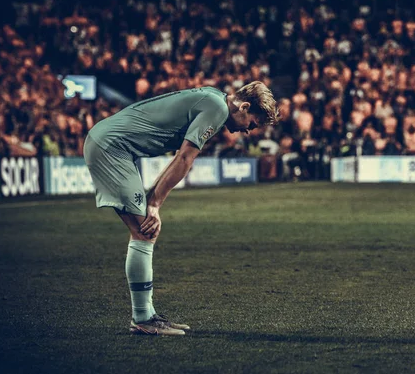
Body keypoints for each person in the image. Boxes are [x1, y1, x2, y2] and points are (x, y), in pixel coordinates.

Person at [84, 82, 278, 335]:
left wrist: (153, 197)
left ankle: (146, 315)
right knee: (145, 231)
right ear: (244, 106)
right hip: (111, 148)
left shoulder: (213, 98)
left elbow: (180, 156)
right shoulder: (217, 109)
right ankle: (142, 318)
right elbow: (185, 157)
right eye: (251, 123)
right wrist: (153, 203)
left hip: (111, 144)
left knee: (145, 231)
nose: (249, 131)